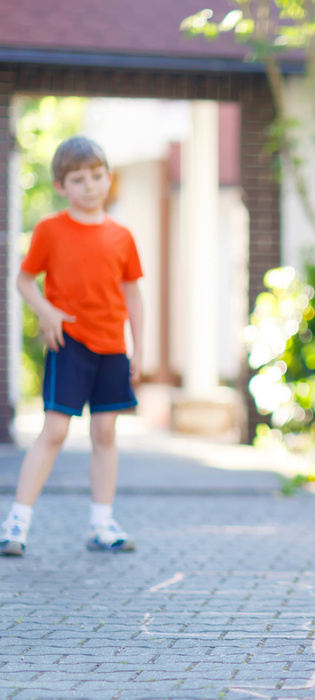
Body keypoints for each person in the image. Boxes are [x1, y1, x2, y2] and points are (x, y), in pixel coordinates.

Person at [0, 135, 144, 557]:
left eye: (97, 176)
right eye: (78, 179)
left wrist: (141, 348)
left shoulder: (122, 236)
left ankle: (102, 524)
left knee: (104, 431)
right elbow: (25, 281)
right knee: (55, 430)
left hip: (113, 346)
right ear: (62, 186)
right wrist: (45, 311)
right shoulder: (50, 230)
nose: (90, 185)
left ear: (109, 177)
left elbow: (133, 294)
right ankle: (16, 523)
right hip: (70, 343)